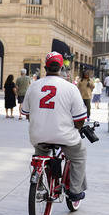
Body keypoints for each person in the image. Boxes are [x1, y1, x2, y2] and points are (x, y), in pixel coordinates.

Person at [21, 52, 88, 201]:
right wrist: (76, 127)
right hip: (64, 136)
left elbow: (26, 113)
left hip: (38, 135)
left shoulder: (33, 86)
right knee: (79, 157)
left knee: (40, 153)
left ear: (45, 67)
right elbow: (80, 119)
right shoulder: (71, 88)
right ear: (61, 68)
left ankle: (40, 180)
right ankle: (75, 192)